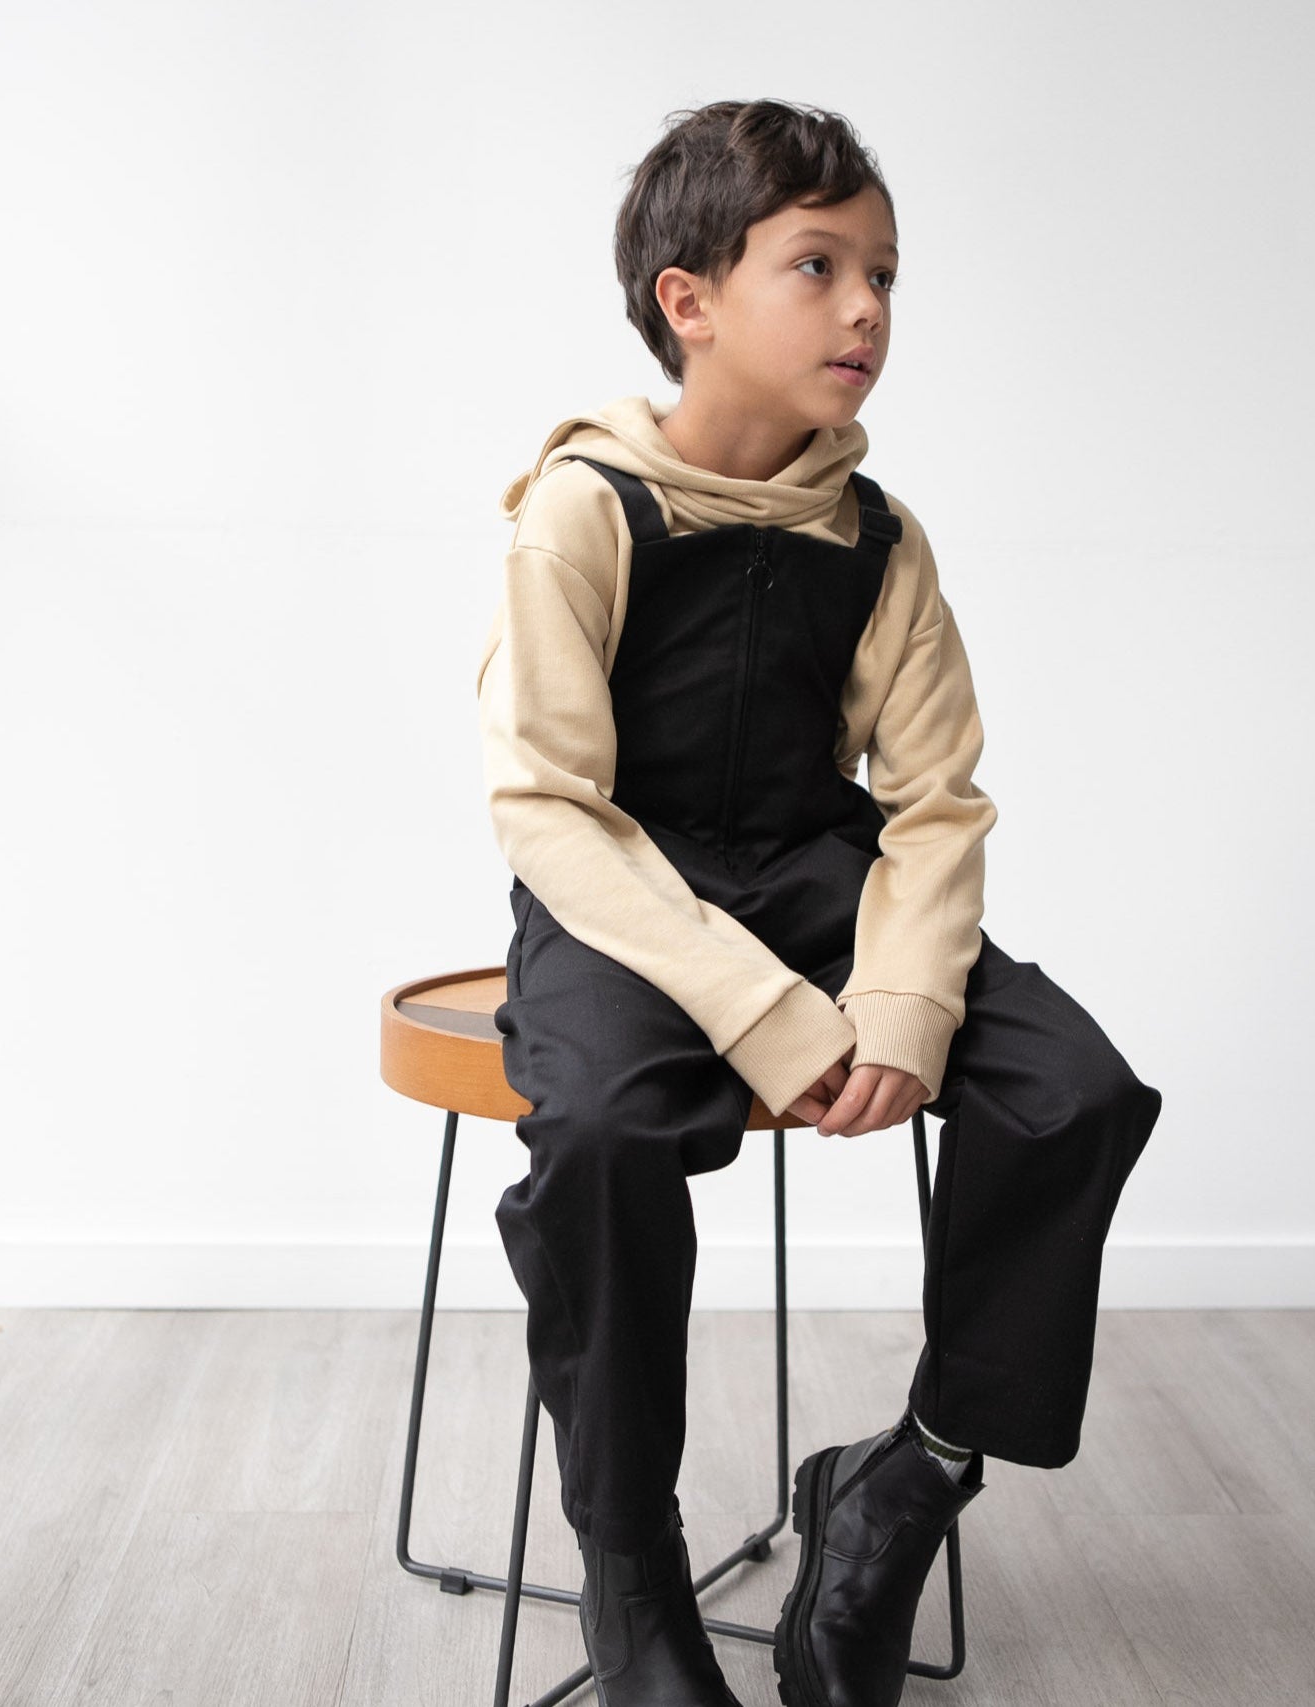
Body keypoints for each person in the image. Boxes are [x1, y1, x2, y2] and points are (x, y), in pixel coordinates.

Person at [475, 97, 1163, 1707]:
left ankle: (904, 1484)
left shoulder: (879, 540)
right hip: (622, 896)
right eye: (820, 267)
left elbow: (935, 803)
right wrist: (771, 1016)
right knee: (601, 1135)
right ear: (690, 301)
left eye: (885, 276)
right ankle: (630, 1574)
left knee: (1072, 1093)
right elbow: (548, 806)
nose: (868, 308)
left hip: (811, 870)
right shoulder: (584, 508)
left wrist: (905, 1005)